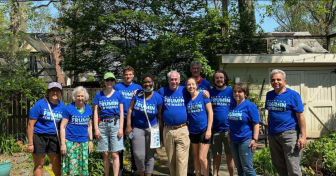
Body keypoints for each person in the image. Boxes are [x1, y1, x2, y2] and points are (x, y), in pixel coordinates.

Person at [265, 69, 306, 176]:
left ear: (284, 81)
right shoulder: (269, 95)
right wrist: (268, 130)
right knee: (278, 164)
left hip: (289, 134)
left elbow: (300, 116)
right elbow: (270, 113)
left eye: (279, 79)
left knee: (293, 166)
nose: (276, 82)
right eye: (273, 80)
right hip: (273, 134)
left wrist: (303, 136)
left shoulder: (293, 95)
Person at [125, 73, 163, 176]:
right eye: (145, 82)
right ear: (142, 84)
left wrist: (160, 131)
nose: (147, 84)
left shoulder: (158, 97)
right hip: (137, 127)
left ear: (153, 83)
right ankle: (141, 173)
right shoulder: (137, 94)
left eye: (149, 82)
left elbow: (159, 115)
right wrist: (128, 125)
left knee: (150, 155)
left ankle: (148, 174)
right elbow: (130, 109)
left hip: (153, 128)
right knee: (138, 155)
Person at [27, 82, 66, 176]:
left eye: (58, 91)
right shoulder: (40, 104)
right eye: (53, 90)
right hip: (39, 136)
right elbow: (30, 125)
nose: (55, 93)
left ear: (60, 93)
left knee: (56, 163)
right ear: (48, 92)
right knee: (39, 164)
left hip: (54, 137)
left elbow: (64, 125)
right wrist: (30, 143)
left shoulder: (62, 106)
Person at [157, 71, 190, 176]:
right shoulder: (162, 91)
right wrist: (137, 92)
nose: (174, 81)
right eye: (171, 79)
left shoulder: (185, 90)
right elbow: (151, 98)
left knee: (181, 160)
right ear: (168, 80)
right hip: (168, 130)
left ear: (179, 80)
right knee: (171, 160)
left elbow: (196, 95)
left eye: (176, 79)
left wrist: (205, 94)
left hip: (183, 130)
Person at [182, 61, 211, 176]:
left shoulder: (204, 90)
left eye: (197, 68)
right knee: (195, 156)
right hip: (192, 130)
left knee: (202, 157)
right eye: (189, 85)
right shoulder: (187, 97)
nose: (191, 86)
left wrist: (209, 129)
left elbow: (210, 112)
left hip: (204, 129)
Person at [93, 72, 125, 176]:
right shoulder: (99, 95)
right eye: (107, 80)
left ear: (114, 81)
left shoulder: (118, 94)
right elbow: (95, 112)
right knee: (105, 153)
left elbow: (121, 112)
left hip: (115, 124)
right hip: (102, 125)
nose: (109, 82)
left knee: (115, 154)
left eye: (111, 80)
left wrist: (121, 128)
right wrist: (96, 129)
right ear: (104, 81)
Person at [114, 66, 142, 174]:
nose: (128, 76)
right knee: (120, 145)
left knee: (134, 144)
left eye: (130, 74)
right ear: (123, 75)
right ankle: (119, 168)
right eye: (126, 74)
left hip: (134, 120)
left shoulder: (138, 87)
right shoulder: (117, 87)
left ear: (133, 75)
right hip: (121, 120)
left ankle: (135, 169)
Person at [227, 82, 259, 176]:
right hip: (233, 140)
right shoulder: (232, 105)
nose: (236, 93)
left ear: (245, 93)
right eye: (235, 91)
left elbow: (256, 124)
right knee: (239, 168)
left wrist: (255, 140)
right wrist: (229, 135)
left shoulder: (250, 106)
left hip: (246, 140)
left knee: (247, 168)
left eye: (239, 91)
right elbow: (230, 121)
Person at [60, 86, 93, 176]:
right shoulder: (69, 108)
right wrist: (63, 144)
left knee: (82, 168)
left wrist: (91, 140)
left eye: (82, 96)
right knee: (70, 168)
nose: (80, 98)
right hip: (71, 142)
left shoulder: (89, 108)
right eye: (78, 96)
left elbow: (89, 126)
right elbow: (62, 126)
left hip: (84, 142)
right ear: (75, 96)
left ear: (85, 97)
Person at [209, 70, 235, 176]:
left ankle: (231, 174)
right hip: (215, 129)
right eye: (217, 78)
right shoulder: (210, 92)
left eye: (221, 77)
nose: (219, 79)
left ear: (225, 79)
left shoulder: (231, 91)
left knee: (230, 155)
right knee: (216, 155)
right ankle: (215, 174)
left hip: (229, 129)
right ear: (214, 80)